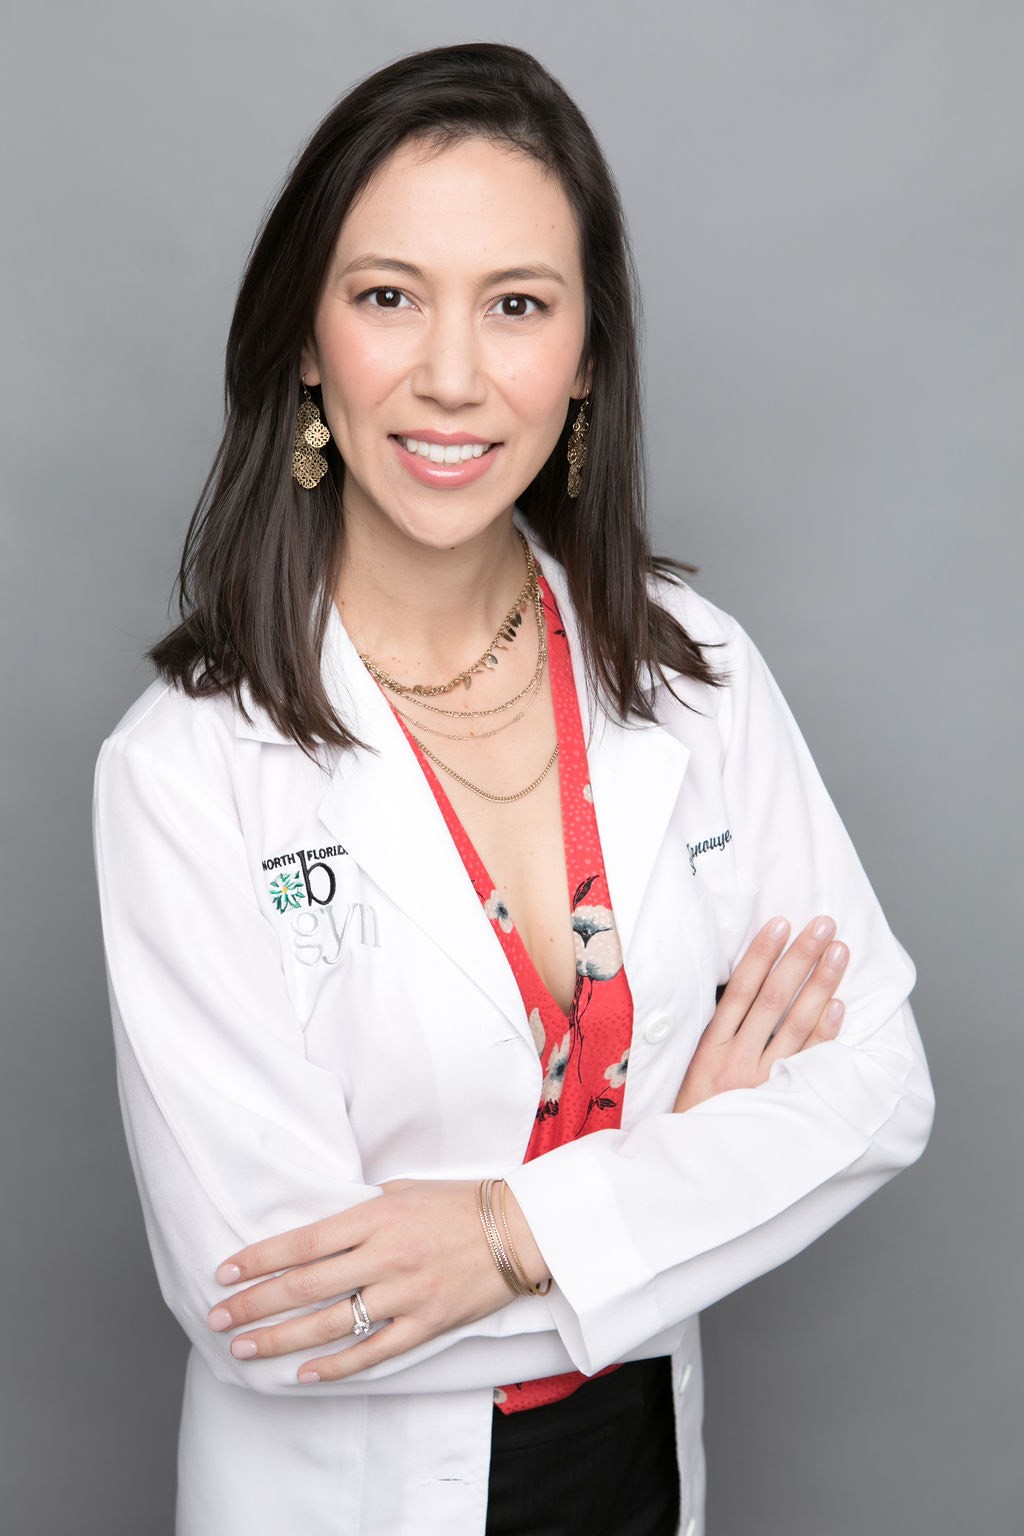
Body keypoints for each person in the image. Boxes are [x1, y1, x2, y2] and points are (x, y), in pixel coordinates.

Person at [93, 42, 933, 1536]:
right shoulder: (185, 772)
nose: (454, 377)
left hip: (632, 1478)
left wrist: (499, 1232)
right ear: (305, 337)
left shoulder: (695, 670)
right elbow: (277, 1314)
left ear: (590, 356)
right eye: (388, 296)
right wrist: (683, 1173)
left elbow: (876, 1092)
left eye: (519, 306)